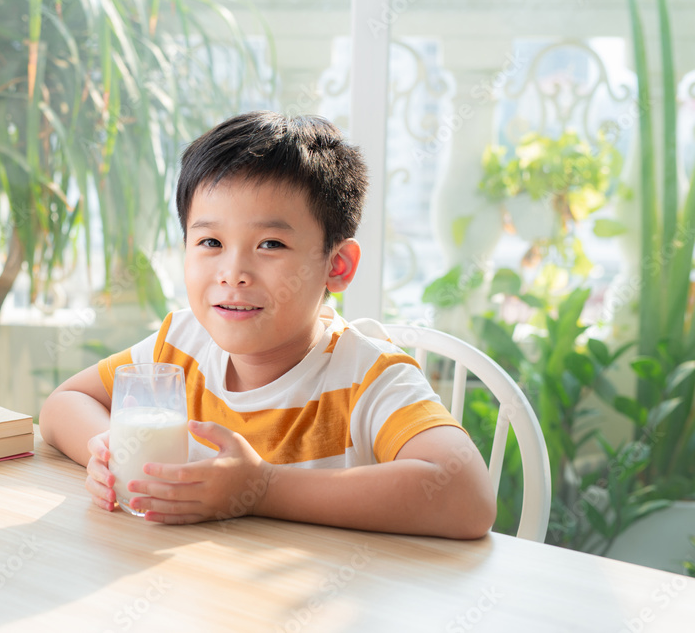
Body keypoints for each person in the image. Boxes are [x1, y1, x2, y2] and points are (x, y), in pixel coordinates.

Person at [39, 111, 496, 539]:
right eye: (211, 241)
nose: (232, 272)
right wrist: (106, 450)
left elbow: (468, 497)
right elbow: (65, 403)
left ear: (336, 264)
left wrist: (260, 489)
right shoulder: (180, 344)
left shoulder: (367, 377)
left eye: (270, 243)